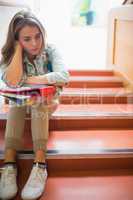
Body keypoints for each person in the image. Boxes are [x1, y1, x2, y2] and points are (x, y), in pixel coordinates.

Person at [0, 10, 69, 200]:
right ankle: (9, 164)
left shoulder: (51, 50)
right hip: (20, 105)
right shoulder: (11, 55)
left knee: (36, 97)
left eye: (38, 36)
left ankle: (40, 164)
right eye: (27, 39)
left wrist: (30, 80)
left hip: (48, 103)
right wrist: (17, 50)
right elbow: (11, 82)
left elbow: (63, 76)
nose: (35, 43)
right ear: (16, 40)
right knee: (18, 101)